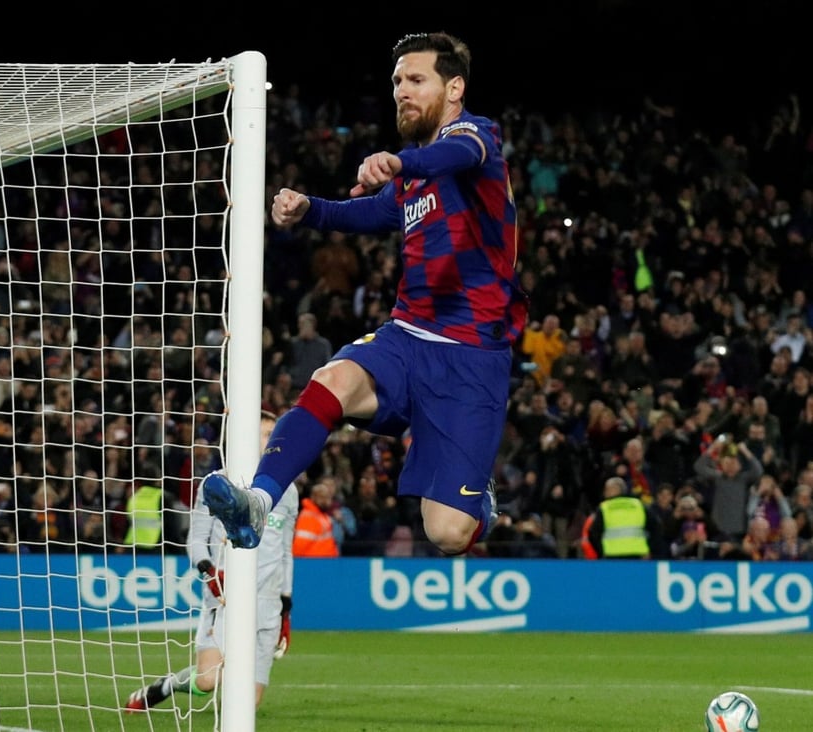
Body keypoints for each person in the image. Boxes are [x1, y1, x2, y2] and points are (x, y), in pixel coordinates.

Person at [202, 31, 527, 557]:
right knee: (333, 379)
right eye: (397, 80)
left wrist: (401, 162)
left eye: (417, 79)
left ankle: (477, 503)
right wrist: (312, 208)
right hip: (406, 336)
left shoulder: (476, 139)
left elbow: (458, 152)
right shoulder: (414, 176)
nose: (402, 90)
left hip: (471, 358)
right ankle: (258, 503)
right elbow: (374, 211)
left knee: (447, 533)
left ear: (454, 87)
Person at [125, 412, 299, 712]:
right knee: (207, 681)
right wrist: (208, 570)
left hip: (268, 601)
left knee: (250, 703)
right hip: (226, 595)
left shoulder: (289, 490)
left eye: (275, 433)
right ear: (243, 437)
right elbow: (196, 539)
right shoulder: (216, 483)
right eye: (264, 433)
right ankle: (164, 687)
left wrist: (286, 607)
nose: (272, 440)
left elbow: (285, 551)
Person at [584, 477, 658, 559]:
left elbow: (593, 533)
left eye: (607, 489)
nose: (604, 493)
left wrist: (601, 552)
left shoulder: (605, 508)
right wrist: (650, 549)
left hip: (612, 557)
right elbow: (657, 527)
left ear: (615, 489)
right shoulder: (639, 505)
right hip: (637, 557)